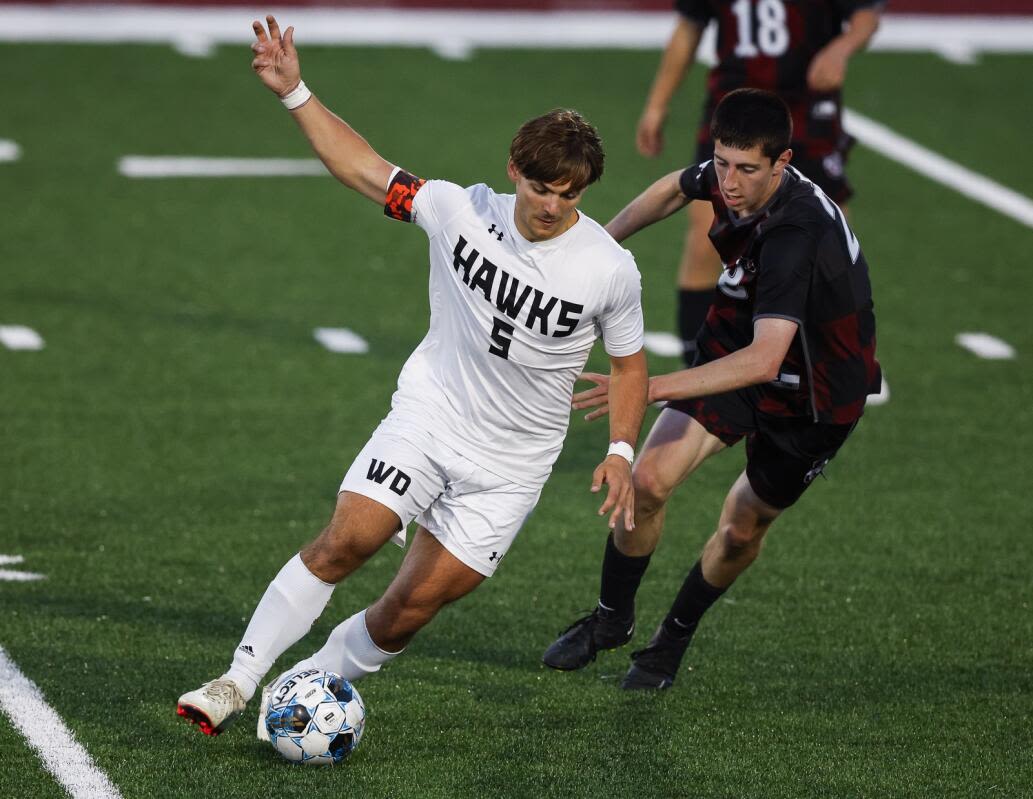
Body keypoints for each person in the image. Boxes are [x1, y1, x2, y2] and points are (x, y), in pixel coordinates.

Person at [177, 14, 649, 736]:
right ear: (513, 170)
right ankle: (237, 679)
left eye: (571, 195)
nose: (553, 207)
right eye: (543, 187)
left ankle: (303, 691)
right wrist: (294, 91)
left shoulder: (609, 269)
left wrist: (620, 450)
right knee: (348, 539)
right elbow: (366, 168)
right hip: (431, 415)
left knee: (407, 609)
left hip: (511, 465)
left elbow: (628, 362)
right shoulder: (457, 210)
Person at [542, 88, 881, 690]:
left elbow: (766, 359)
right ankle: (609, 621)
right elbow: (676, 185)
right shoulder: (733, 176)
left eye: (747, 169)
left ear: (783, 163)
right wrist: (594, 247)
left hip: (816, 395)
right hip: (738, 346)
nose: (728, 182)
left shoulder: (794, 235)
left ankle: (672, 640)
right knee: (645, 483)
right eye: (722, 162)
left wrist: (643, 386)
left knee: (742, 526)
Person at [636, 0, 882, 366]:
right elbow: (689, 27)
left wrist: (840, 48)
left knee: (831, 234)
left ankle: (842, 353)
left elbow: (865, 14)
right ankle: (695, 369)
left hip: (807, 107)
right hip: (734, 109)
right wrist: (656, 105)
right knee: (706, 231)